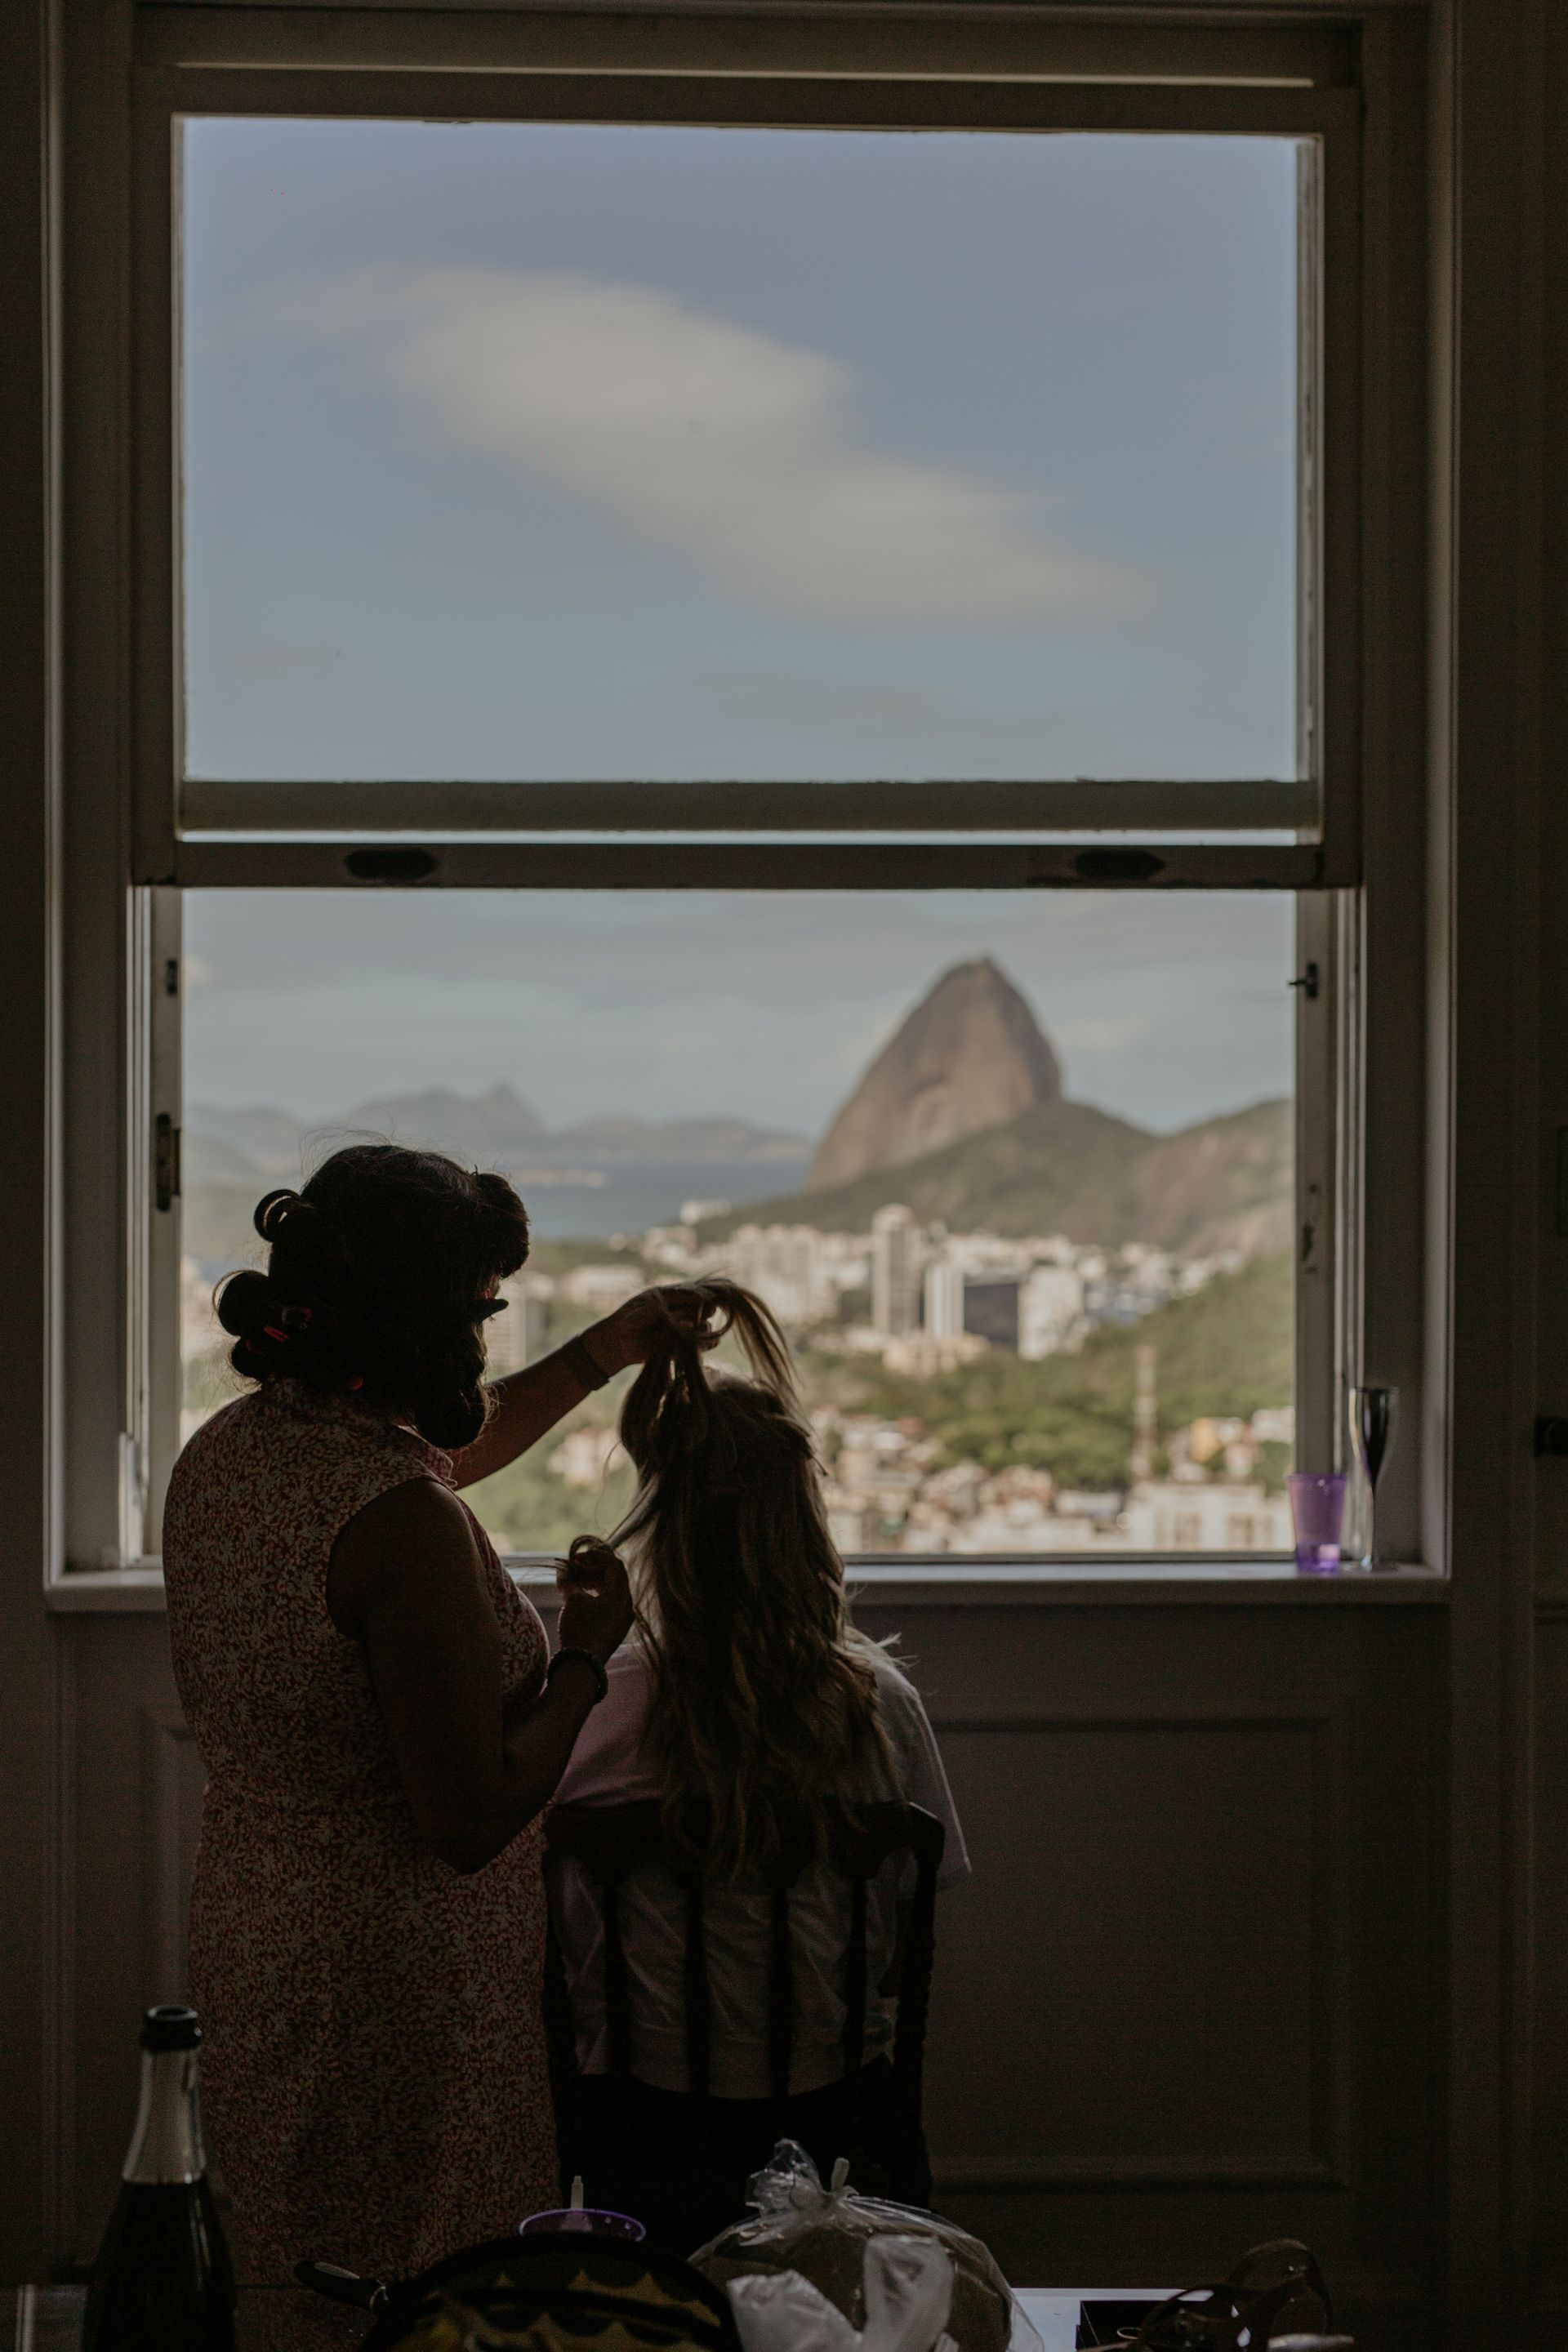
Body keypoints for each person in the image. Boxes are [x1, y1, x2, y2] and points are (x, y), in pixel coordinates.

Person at [162, 1143, 706, 2327]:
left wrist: (605, 1349)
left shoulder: (233, 1455)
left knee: (292, 2266)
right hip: (396, 1978)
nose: (488, 1334)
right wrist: (583, 1654)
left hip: (258, 1929)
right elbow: (469, 1815)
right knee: (421, 2296)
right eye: (480, 1310)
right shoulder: (405, 1527)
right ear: (429, 1324)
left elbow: (440, 1448)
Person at [548, 1279, 970, 2251]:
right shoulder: (881, 1709)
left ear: (659, 1524)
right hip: (835, 2113)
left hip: (637, 2114)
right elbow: (905, 1928)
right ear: (806, 1522)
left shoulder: (599, 1708)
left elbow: (561, 1924)